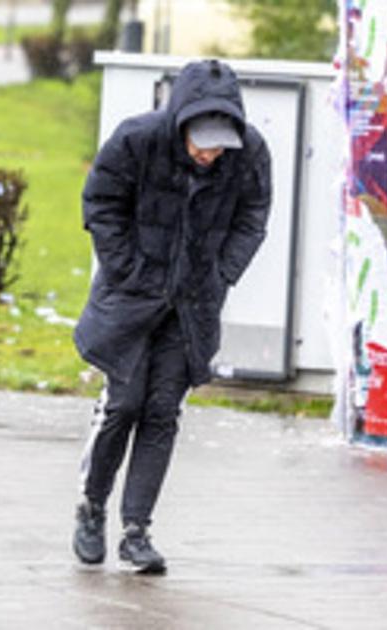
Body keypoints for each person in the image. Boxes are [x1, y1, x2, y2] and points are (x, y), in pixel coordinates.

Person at [71, 59, 272, 574]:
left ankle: (136, 530)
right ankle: (92, 508)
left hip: (192, 304)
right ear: (180, 121)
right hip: (133, 301)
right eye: (201, 140)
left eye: (218, 143)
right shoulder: (136, 141)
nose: (208, 154)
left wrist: (222, 273)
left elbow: (253, 217)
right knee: (122, 405)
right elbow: (100, 202)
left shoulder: (247, 155)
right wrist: (128, 268)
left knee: (162, 412)